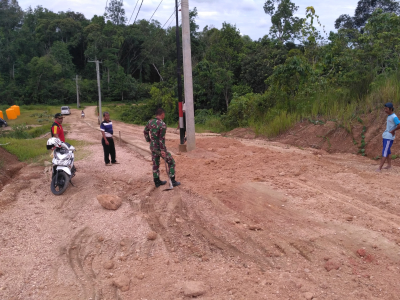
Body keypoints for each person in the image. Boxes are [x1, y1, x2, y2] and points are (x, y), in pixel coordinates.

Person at [144, 108, 181, 188]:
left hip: (153, 147)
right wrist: (163, 150)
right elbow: (161, 139)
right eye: (164, 114)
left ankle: (157, 181)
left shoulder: (150, 122)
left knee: (155, 163)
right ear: (162, 114)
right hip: (159, 148)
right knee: (171, 162)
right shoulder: (162, 124)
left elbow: (145, 131)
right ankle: (172, 180)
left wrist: (149, 140)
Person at [377, 102, 400, 171]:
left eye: (386, 109)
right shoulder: (390, 116)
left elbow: (399, 125)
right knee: (388, 151)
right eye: (385, 108)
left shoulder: (394, 117)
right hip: (387, 136)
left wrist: (393, 131)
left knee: (385, 151)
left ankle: (379, 168)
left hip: (389, 137)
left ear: (390, 109)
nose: (385, 110)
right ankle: (389, 165)